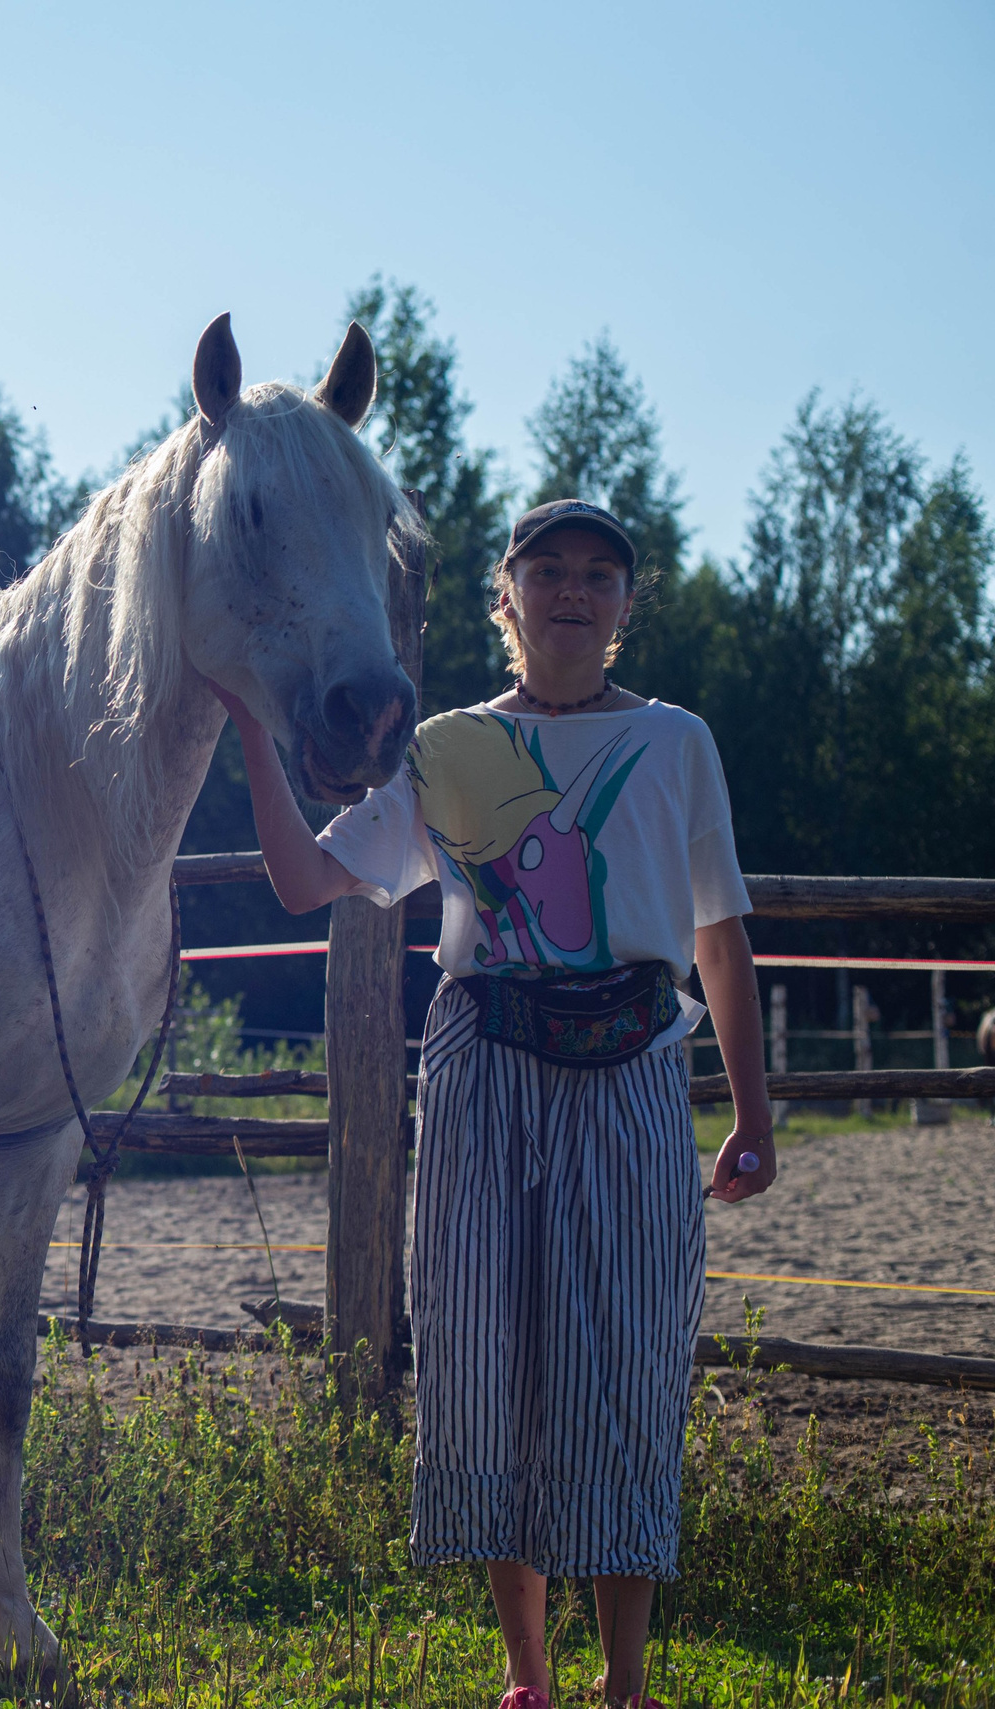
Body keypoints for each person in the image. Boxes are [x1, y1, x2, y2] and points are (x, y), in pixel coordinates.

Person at [212, 499, 773, 1709]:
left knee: (625, 1364)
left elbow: (720, 939)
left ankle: (625, 1684)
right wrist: (257, 727)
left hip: (631, 1070)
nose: (572, 591)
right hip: (481, 1077)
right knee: (479, 1363)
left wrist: (752, 1110)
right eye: (547, 570)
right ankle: (530, 1680)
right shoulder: (450, 747)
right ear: (504, 596)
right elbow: (306, 878)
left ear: (626, 606)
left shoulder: (678, 743)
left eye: (597, 576)